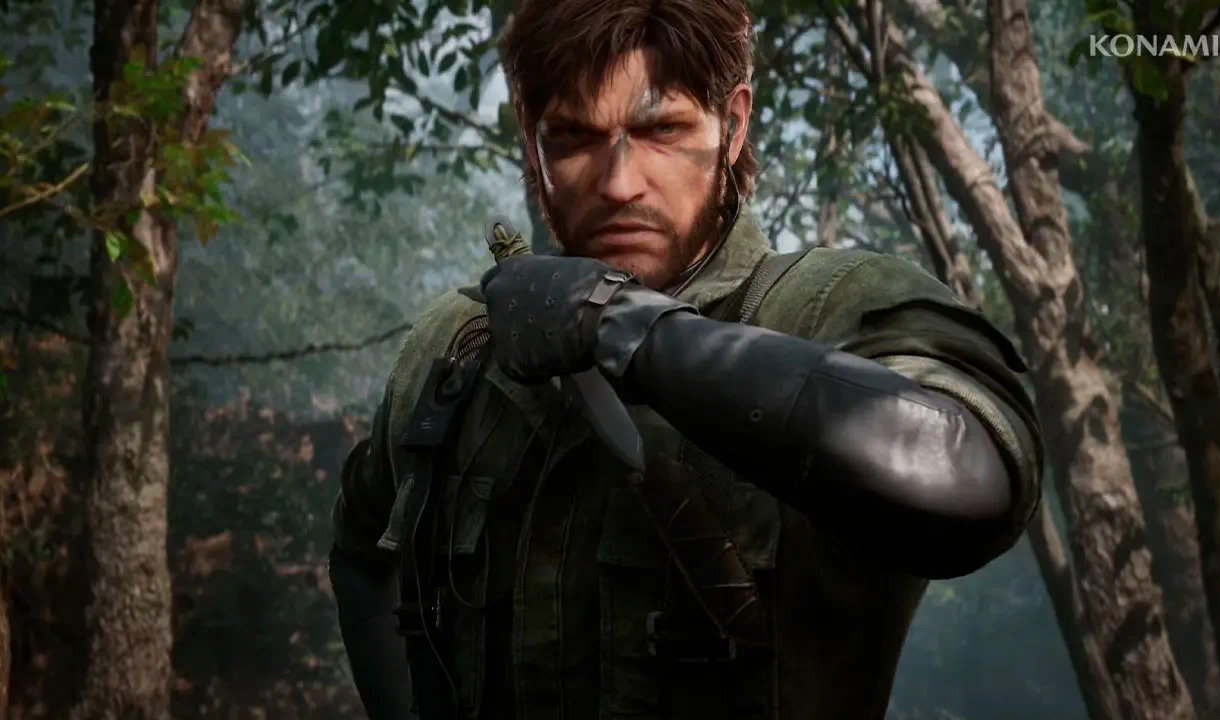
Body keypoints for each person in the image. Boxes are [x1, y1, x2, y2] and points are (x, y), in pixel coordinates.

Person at [329, 1, 1045, 718]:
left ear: (733, 125)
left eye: (662, 130)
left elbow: (971, 479)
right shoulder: (458, 344)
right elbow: (364, 553)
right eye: (574, 137)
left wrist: (624, 328)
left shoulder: (828, 310)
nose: (619, 184)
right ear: (530, 139)